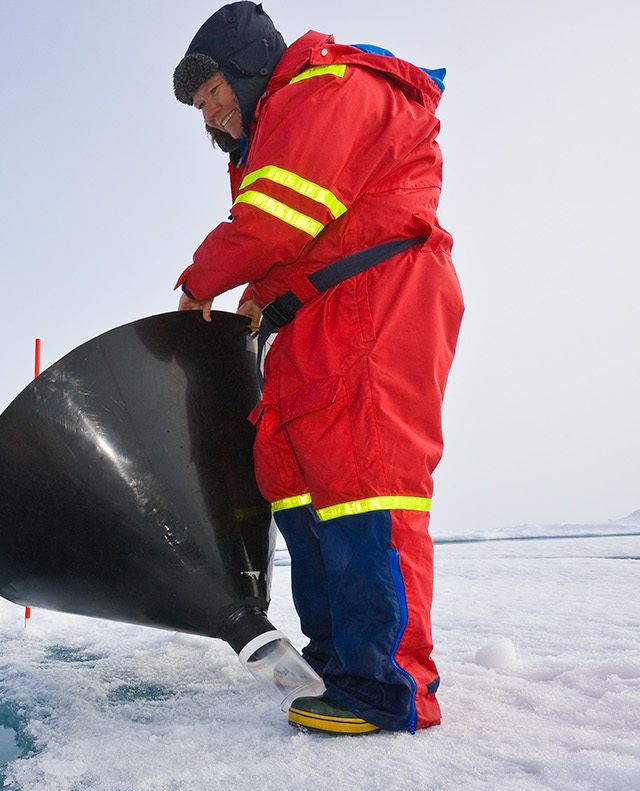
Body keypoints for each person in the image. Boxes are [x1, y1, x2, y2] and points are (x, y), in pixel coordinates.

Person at [171, 3, 462, 734]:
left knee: (365, 487)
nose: (210, 113)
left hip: (371, 307)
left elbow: (276, 219)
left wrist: (199, 281)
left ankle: (387, 686)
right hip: (307, 324)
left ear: (247, 70)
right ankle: (340, 661)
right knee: (301, 493)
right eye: (201, 106)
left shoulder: (325, 89)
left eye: (214, 93)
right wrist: (253, 300)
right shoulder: (279, 129)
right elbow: (288, 237)